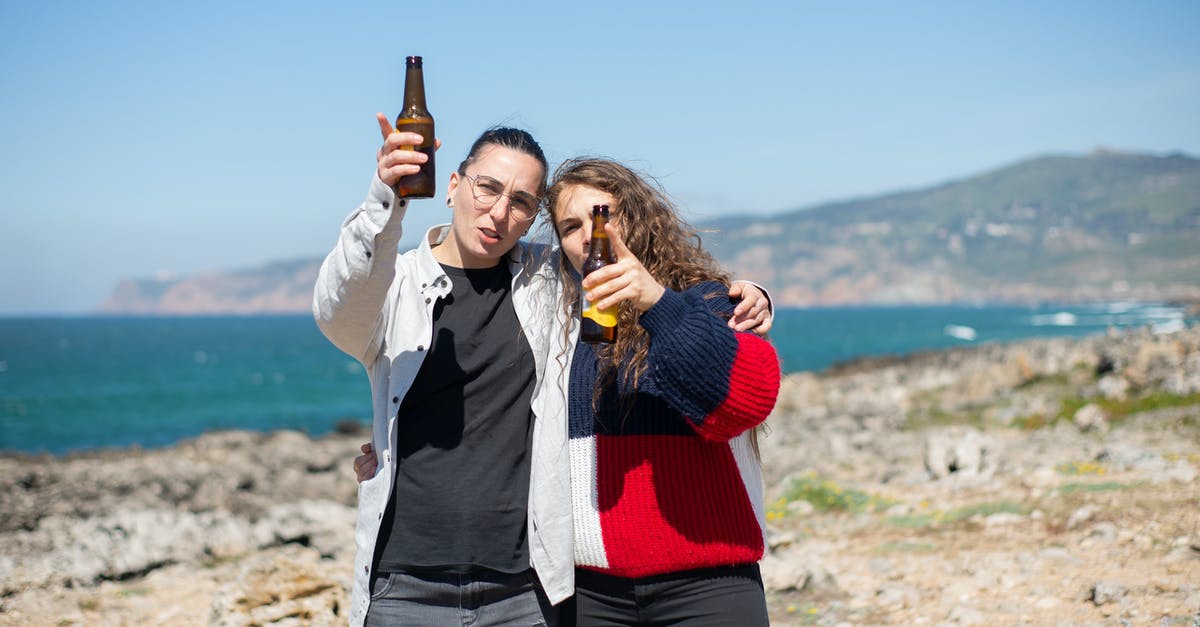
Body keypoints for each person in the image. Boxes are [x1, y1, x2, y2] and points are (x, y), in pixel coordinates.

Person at [318, 117, 773, 626]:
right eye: (487, 188)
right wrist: (388, 196)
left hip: (528, 588)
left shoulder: (550, 285)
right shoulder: (397, 286)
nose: (498, 212)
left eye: (521, 202)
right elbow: (340, 304)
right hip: (407, 585)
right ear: (452, 186)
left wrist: (743, 294)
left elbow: (731, 379)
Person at [544, 157, 781, 625]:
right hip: (591, 592)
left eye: (603, 215)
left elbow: (741, 403)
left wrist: (654, 301)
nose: (590, 235)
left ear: (637, 217)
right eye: (570, 226)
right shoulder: (554, 320)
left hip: (709, 583)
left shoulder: (705, 301)